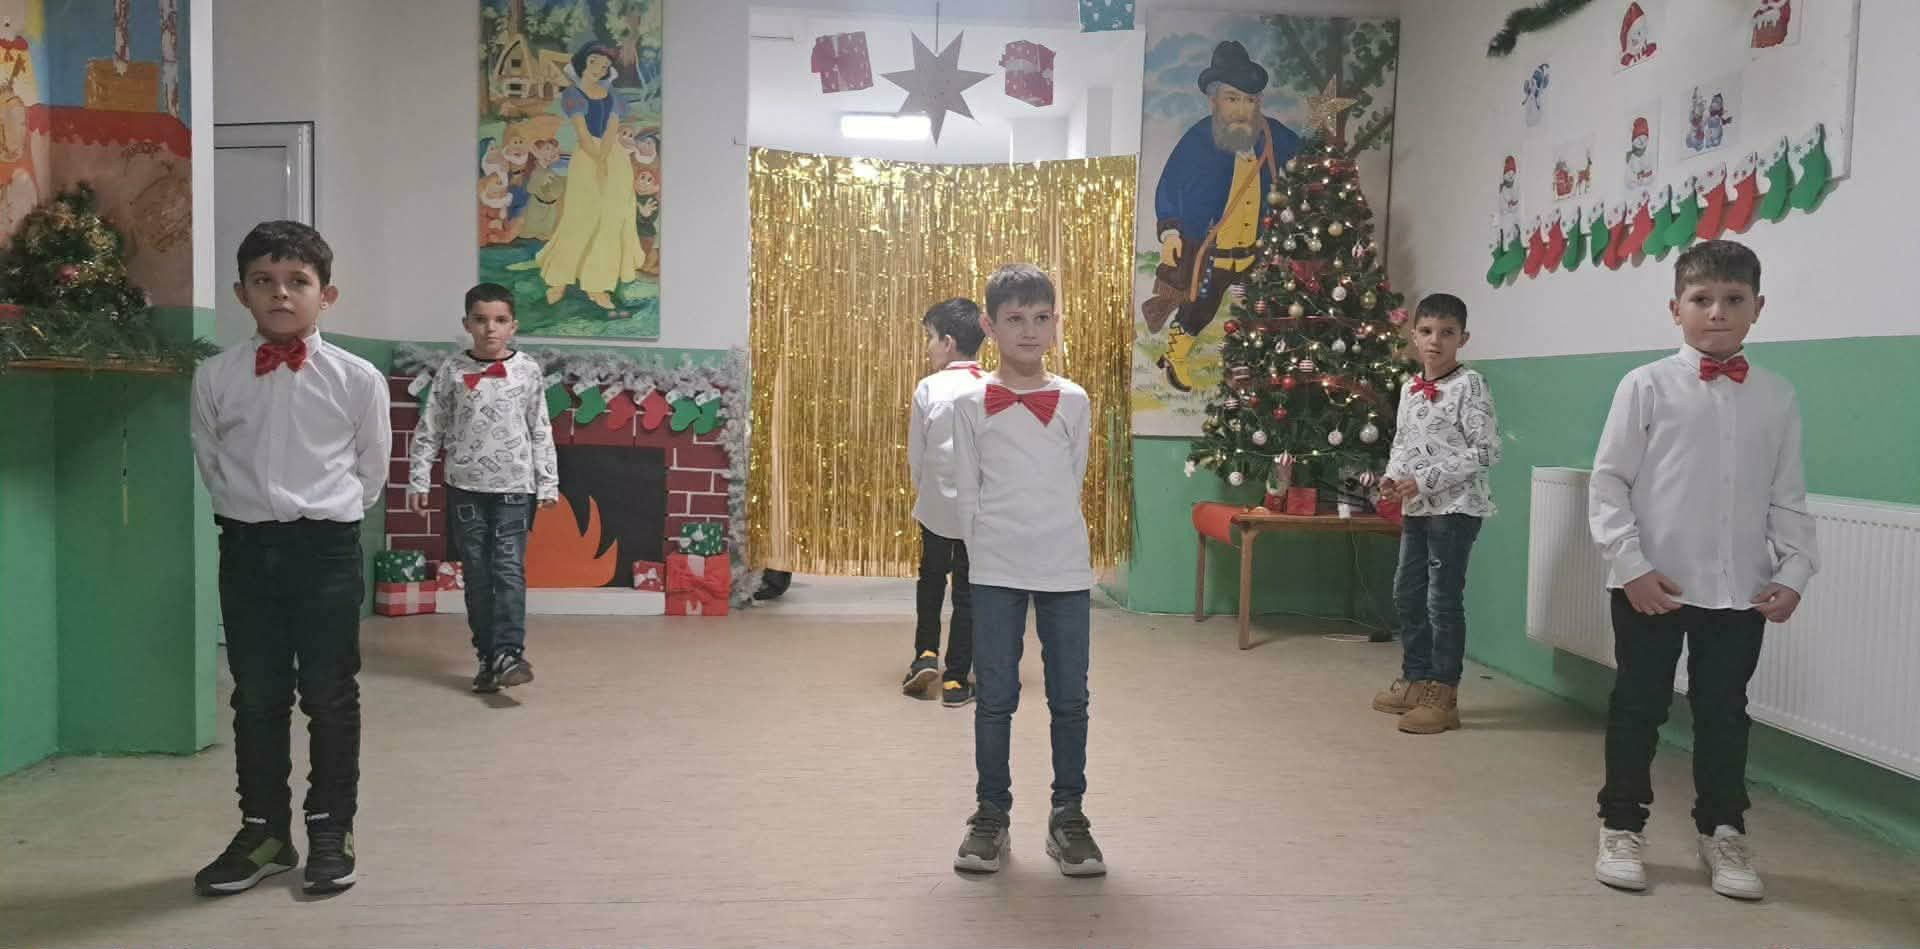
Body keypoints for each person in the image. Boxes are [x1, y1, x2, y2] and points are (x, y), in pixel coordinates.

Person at [1588, 240, 1815, 901]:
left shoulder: (1777, 396)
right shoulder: (1645, 386)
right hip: (1651, 583)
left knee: (1725, 712)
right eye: (1702, 299)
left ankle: (1723, 829)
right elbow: (1609, 482)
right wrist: (1631, 565)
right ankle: (1622, 823)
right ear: (1676, 308)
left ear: (1757, 308)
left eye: (1733, 299)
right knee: (1639, 706)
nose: (1717, 312)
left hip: (1739, 587)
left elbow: (1787, 494)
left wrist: (1794, 570)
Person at [189, 221, 389, 896]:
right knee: (257, 695)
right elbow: (212, 460)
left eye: (297, 281)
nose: (281, 293)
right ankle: (265, 832)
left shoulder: (356, 379)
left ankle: (332, 826)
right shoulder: (216, 376)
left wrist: (320, 514)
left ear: (325, 295)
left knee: (329, 694)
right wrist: (255, 514)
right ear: (241, 293)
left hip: (325, 550)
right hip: (247, 549)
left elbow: (370, 470)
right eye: (264, 280)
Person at [950, 264, 1104, 877]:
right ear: (989, 326)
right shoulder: (969, 403)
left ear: (1056, 323)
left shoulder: (1074, 400)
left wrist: (1048, 538)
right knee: (996, 697)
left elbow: (1073, 477)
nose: (1029, 331)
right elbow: (967, 493)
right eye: (1014, 319)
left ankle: (1069, 816)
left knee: (1070, 697)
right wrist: (986, 558)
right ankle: (991, 814)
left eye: (1041, 318)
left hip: (1063, 565)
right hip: (995, 567)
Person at [408, 283, 560, 694]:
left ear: (513, 326)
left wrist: (547, 481)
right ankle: (488, 657)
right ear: (467, 324)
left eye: (499, 320)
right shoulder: (452, 370)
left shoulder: (527, 370)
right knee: (476, 574)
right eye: (480, 320)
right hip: (465, 489)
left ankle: (510, 653)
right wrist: (419, 476)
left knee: (507, 569)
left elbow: (540, 428)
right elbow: (431, 426)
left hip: (515, 489)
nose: (490, 328)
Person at [1142, 40, 1300, 392]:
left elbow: (1306, 157)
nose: (1243, 109)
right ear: (1213, 100)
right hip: (1210, 252)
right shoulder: (1197, 140)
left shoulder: (1274, 136)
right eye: (1233, 98)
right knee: (1199, 309)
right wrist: (1170, 234)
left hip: (1256, 254)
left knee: (1258, 313)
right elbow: (1170, 185)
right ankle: (1175, 356)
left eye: (1250, 100)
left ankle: (1250, 373)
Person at [1374, 293, 1501, 734]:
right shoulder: (1409, 388)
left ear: (1462, 338)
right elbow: (1402, 443)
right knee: (1407, 593)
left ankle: (1443, 694)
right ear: (1413, 336)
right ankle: (1415, 679)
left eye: (1447, 333)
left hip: (1456, 509)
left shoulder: (1471, 385)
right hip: (1417, 509)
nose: (1435, 341)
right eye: (1427, 332)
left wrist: (1426, 479)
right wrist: (1393, 477)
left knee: (1441, 600)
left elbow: (1486, 450)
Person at [902, 298, 986, 706]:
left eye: (930, 338)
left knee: (931, 580)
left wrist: (928, 489)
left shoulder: (928, 387)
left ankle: (924, 655)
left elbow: (916, 455)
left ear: (948, 342)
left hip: (935, 508)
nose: (928, 346)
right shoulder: (992, 387)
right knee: (968, 589)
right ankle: (956, 679)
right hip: (978, 512)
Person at [518, 43, 643, 310]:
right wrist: (597, 159)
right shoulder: (573, 95)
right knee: (580, 218)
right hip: (587, 158)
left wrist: (605, 158)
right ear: (583, 63)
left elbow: (611, 129)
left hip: (614, 158)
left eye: (605, 65)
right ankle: (559, 279)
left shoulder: (613, 95)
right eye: (594, 61)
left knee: (611, 220)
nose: (599, 68)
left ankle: (598, 285)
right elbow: (583, 133)